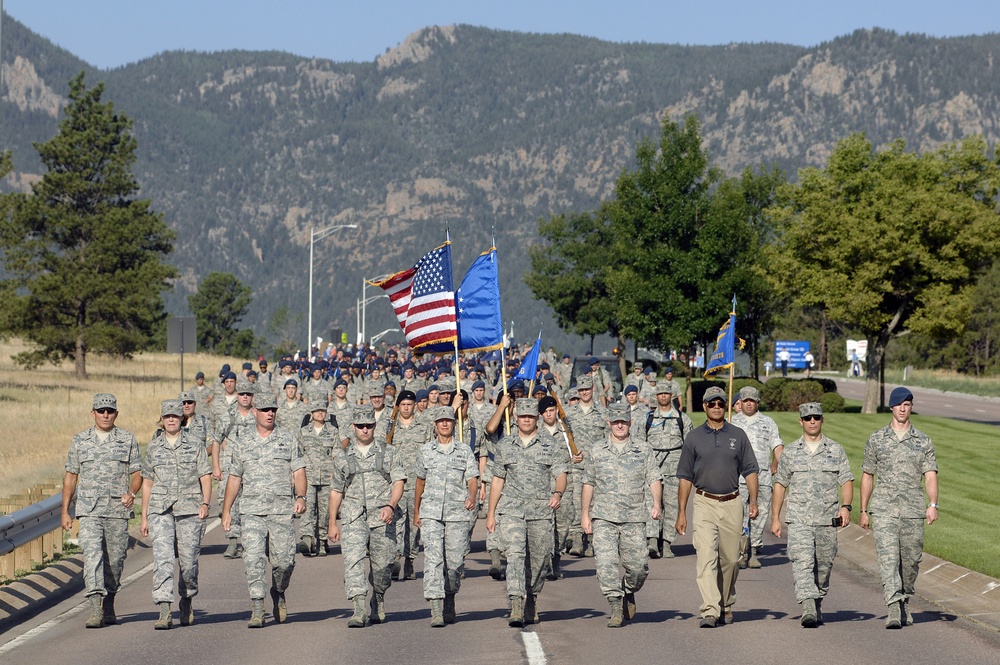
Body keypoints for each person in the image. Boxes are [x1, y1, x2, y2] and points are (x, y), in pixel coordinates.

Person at [675, 386, 759, 628]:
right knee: (706, 557)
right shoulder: (693, 438)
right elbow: (684, 477)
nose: (716, 407)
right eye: (711, 403)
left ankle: (725, 602)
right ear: (704, 406)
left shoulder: (738, 435)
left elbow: (750, 470)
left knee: (731, 560)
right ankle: (710, 609)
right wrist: (682, 512)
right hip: (704, 503)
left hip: (732, 502)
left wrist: (753, 500)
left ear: (726, 406)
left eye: (720, 403)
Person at [222, 393, 308, 628]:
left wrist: (300, 496)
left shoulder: (288, 439)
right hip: (251, 511)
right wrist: (227, 510)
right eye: (265, 409)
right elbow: (234, 478)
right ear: (255, 412)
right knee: (253, 560)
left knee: (285, 562)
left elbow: (299, 471)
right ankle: (257, 607)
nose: (270, 413)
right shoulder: (242, 441)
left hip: (281, 511)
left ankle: (278, 590)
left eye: (273, 410)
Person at [860, 387, 939, 629]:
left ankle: (904, 598)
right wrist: (863, 509)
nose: (903, 408)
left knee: (911, 561)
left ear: (911, 407)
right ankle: (893, 607)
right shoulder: (876, 439)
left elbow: (930, 475)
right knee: (888, 559)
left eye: (907, 404)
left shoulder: (923, 441)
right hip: (884, 509)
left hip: (913, 510)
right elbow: (867, 475)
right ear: (891, 408)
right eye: (898, 404)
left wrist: (933, 504)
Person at [61, 393, 142, 629]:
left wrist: (132, 493)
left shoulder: (127, 439)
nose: (105, 415)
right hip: (89, 510)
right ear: (93, 413)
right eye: (100, 410)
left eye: (109, 411)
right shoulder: (80, 440)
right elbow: (71, 477)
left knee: (115, 562)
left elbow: (137, 473)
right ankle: (95, 607)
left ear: (116, 413)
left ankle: (109, 602)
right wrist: (65, 511)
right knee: (93, 555)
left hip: (117, 510)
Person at [486, 398, 568, 627]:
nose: (526, 420)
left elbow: (561, 473)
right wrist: (491, 513)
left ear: (537, 419)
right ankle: (515, 603)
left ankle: (532, 597)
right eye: (522, 417)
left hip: (541, 511)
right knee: (514, 556)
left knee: (540, 561)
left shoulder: (549, 445)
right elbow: (497, 481)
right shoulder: (505, 446)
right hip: (511, 510)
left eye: (530, 417)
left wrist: (557, 493)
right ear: (516, 418)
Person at [770, 402, 853, 627]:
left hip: (827, 521)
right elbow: (780, 485)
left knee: (823, 567)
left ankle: (817, 600)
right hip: (799, 520)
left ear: (822, 420)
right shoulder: (790, 452)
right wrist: (775, 517)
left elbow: (846, 480)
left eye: (816, 417)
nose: (812, 421)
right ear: (801, 422)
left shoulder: (835, 450)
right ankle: (808, 604)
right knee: (802, 562)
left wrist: (846, 507)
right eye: (808, 418)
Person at [582, 403, 662, 627]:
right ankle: (615, 605)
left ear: (630, 422)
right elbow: (588, 482)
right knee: (606, 565)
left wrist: (657, 503)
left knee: (639, 568)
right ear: (608, 423)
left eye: (623, 421)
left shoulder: (643, 449)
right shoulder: (597, 450)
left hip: (634, 516)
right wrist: (585, 514)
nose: (619, 425)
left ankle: (628, 590)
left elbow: (654, 478)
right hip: (604, 517)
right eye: (615, 421)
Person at [328, 405, 406, 627]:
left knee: (383, 567)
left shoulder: (388, 452)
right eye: (360, 426)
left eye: (369, 426)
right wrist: (333, 522)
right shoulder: (343, 457)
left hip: (382, 518)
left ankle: (378, 597)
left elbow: (398, 481)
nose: (365, 430)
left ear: (374, 426)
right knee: (353, 562)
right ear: (353, 427)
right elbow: (336, 491)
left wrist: (391, 505)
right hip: (354, 517)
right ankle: (359, 609)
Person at [140, 400, 213, 629]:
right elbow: (147, 483)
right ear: (161, 420)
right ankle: (164, 609)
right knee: (162, 560)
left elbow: (205, 476)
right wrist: (144, 516)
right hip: (160, 510)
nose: (171, 419)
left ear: (182, 418)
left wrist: (205, 503)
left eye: (175, 415)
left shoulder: (195, 444)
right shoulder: (153, 448)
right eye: (167, 416)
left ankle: (187, 598)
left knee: (189, 562)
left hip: (189, 508)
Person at [413, 407, 479, 626]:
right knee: (433, 559)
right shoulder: (425, 451)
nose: (444, 424)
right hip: (431, 512)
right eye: (440, 421)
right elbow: (420, 482)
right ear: (435, 425)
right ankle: (436, 608)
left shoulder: (464, 451)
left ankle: (450, 597)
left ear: (453, 424)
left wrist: (471, 496)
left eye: (448, 421)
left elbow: (472, 478)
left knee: (455, 561)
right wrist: (416, 511)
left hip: (457, 513)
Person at [730, 386, 784, 569]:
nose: (749, 404)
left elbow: (777, 446)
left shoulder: (768, 423)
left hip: (763, 477)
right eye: (745, 401)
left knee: (760, 514)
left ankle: (753, 550)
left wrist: (783, 464)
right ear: (741, 402)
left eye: (752, 401)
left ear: (757, 402)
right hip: (738, 477)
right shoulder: (732, 423)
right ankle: (741, 551)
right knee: (740, 515)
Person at [641, 383, 692, 559]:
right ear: (656, 396)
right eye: (660, 393)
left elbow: (689, 446)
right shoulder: (647, 419)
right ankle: (653, 541)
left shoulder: (682, 419)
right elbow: (639, 445)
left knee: (671, 505)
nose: (663, 396)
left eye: (666, 393)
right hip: (652, 468)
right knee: (652, 503)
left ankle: (667, 543)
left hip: (674, 469)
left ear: (671, 395)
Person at [388, 390, 433, 580]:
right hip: (396, 483)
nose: (406, 408)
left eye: (410, 404)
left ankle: (410, 560)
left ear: (415, 405)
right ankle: (396, 557)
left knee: (414, 527)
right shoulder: (390, 427)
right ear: (399, 406)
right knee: (396, 522)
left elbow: (431, 452)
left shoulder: (424, 426)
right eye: (403, 405)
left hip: (417, 483)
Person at [563, 375, 608, 557]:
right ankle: (576, 539)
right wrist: (571, 455)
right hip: (577, 466)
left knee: (595, 503)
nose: (584, 393)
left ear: (593, 390)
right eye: (581, 390)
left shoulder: (603, 413)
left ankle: (591, 541)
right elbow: (564, 439)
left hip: (596, 467)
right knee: (576, 502)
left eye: (587, 389)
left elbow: (608, 440)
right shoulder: (569, 414)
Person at [211, 377, 256, 558]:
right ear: (237, 395)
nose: (245, 397)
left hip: (253, 467)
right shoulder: (227, 417)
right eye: (242, 393)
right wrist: (216, 465)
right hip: (230, 467)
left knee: (250, 504)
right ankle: (232, 541)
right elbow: (216, 441)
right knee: (230, 503)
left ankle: (249, 541)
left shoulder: (258, 416)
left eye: (248, 394)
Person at [296, 402, 341, 557]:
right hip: (307, 477)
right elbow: (298, 454)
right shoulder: (303, 431)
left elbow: (337, 454)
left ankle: (322, 540)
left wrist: (336, 473)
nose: (320, 413)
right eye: (317, 411)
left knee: (325, 511)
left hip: (327, 477)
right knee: (307, 509)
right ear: (312, 413)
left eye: (322, 410)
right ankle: (307, 539)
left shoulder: (333, 431)